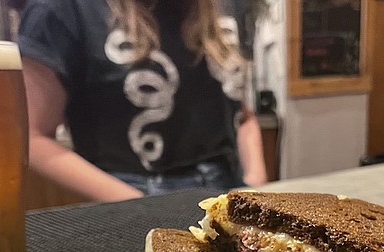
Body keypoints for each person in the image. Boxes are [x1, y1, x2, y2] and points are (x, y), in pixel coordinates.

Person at [17, 0, 267, 202]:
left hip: (230, 185)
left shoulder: (222, 7)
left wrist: (255, 182)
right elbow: (33, 138)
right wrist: (140, 206)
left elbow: (242, 116)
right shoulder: (62, 9)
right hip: (131, 190)